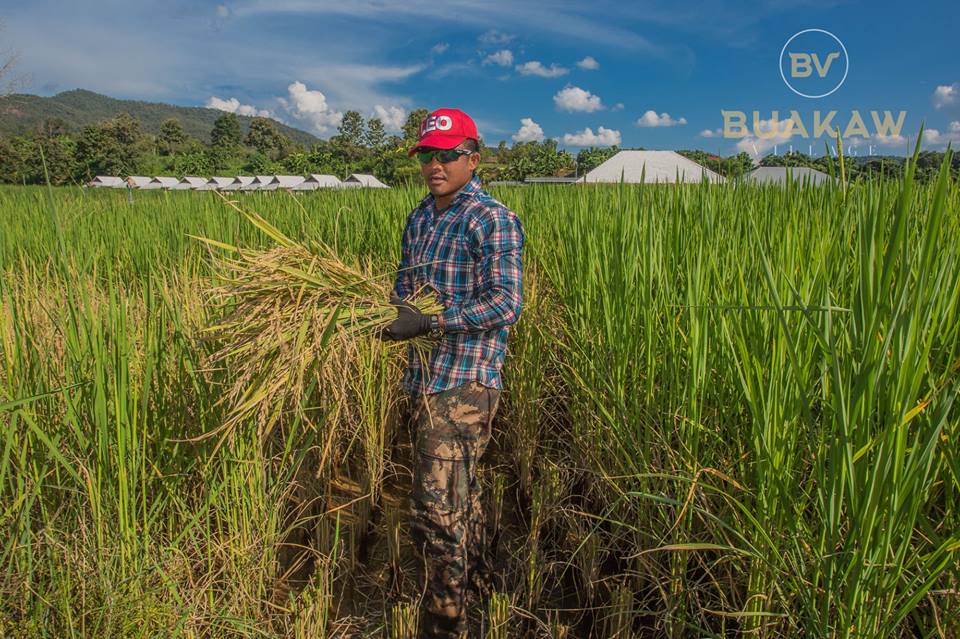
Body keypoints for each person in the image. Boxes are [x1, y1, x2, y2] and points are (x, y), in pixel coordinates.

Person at [380, 107, 525, 638]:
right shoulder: (419, 217)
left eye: (447, 155)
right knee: (460, 496)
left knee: (435, 509)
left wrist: (434, 319)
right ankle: (487, 583)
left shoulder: (492, 218)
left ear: (473, 158)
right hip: (422, 376)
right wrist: (391, 314)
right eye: (427, 156)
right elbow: (405, 285)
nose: (435, 166)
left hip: (466, 382)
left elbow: (507, 303)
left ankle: (445, 623)